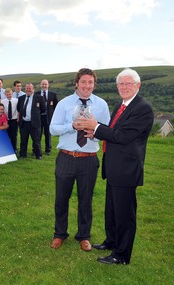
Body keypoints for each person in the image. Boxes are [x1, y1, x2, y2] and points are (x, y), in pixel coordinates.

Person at [77, 68, 154, 264]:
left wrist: (95, 126)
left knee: (124, 214)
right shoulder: (122, 105)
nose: (124, 87)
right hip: (114, 167)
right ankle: (111, 241)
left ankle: (121, 255)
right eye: (121, 84)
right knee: (112, 209)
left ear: (137, 85)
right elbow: (114, 132)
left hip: (126, 169)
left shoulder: (142, 108)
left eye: (128, 83)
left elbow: (123, 136)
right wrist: (97, 133)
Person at [49, 68, 110, 251]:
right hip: (67, 157)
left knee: (86, 199)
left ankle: (84, 236)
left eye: (90, 82)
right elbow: (53, 129)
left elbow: (106, 132)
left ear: (94, 84)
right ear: (76, 83)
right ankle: (59, 234)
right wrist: (71, 126)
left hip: (89, 159)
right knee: (61, 199)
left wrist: (94, 133)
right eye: (83, 82)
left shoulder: (101, 105)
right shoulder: (65, 104)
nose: (86, 86)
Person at [17, 83, 46, 160]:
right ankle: (22, 155)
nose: (28, 90)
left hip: (34, 123)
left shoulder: (39, 98)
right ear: (25, 89)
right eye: (27, 88)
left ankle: (38, 155)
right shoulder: (21, 98)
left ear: (33, 89)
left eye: (30, 88)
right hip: (24, 123)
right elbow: (18, 109)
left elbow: (43, 109)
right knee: (23, 140)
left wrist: (36, 115)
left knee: (36, 141)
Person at [35, 79, 59, 155]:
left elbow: (56, 107)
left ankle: (48, 150)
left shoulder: (53, 94)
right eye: (43, 84)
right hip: (39, 117)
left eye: (45, 84)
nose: (44, 86)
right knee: (37, 134)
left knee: (47, 134)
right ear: (40, 85)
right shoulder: (36, 94)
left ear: (48, 85)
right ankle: (36, 150)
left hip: (48, 118)